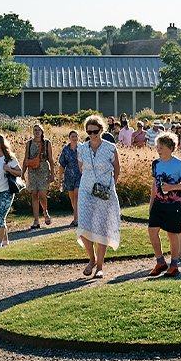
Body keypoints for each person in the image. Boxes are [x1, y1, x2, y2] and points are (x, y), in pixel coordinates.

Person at [76, 115, 122, 278]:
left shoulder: (110, 147)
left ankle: (99, 266)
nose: (92, 134)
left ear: (101, 130)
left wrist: (111, 185)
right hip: (86, 189)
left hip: (104, 189)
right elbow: (82, 169)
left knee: (101, 227)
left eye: (95, 131)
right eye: (89, 132)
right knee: (83, 227)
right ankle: (92, 258)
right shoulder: (82, 148)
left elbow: (117, 168)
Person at [147, 132, 181, 277]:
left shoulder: (179, 165)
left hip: (174, 205)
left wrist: (172, 188)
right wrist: (151, 203)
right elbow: (154, 184)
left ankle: (174, 265)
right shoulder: (156, 164)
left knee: (172, 235)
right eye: (158, 147)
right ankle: (160, 262)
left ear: (171, 148)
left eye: (162, 147)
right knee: (152, 232)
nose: (159, 150)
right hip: (158, 204)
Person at [22, 124, 53, 229]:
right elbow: (26, 158)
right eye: (35, 130)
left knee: (42, 195)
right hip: (32, 170)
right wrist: (23, 173)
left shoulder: (47, 143)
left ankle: (45, 211)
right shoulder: (29, 143)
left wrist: (52, 174)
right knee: (34, 195)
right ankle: (36, 220)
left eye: (39, 130)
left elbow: (51, 159)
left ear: (42, 132)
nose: (37, 132)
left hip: (43, 169)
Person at [57, 130, 82, 227]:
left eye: (76, 136)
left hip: (80, 175)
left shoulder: (82, 148)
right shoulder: (66, 149)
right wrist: (60, 179)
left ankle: (76, 219)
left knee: (77, 196)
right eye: (72, 136)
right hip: (69, 176)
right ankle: (77, 215)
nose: (74, 138)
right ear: (69, 137)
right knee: (72, 198)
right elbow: (62, 164)